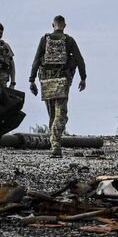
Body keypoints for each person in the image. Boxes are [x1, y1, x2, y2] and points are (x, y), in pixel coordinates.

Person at [29, 15, 86, 157]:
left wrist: (31, 80)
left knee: (52, 114)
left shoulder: (44, 39)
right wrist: (83, 78)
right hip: (62, 80)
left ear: (52, 25)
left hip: (46, 80)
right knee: (61, 114)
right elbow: (80, 60)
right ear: (64, 26)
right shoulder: (69, 40)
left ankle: (54, 144)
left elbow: (36, 60)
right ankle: (56, 146)